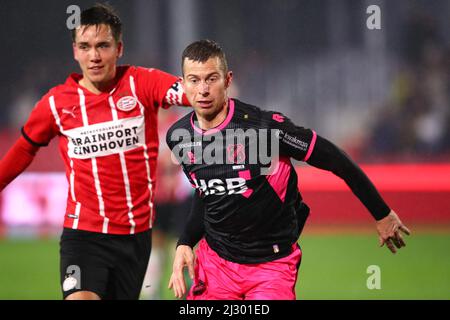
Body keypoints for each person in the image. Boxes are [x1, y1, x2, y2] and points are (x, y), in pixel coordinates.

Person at [166, 39, 411, 300]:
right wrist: (185, 242)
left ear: (227, 80)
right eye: (194, 80)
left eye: (211, 79)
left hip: (271, 266)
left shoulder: (266, 128)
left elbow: (335, 159)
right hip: (216, 266)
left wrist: (382, 213)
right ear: (182, 84)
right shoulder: (179, 136)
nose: (202, 89)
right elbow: (206, 194)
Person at [0, 4, 189, 300]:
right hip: (83, 235)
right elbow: (24, 148)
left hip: (135, 237)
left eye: (103, 45)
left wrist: (213, 93)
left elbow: (188, 91)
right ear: (75, 51)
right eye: (85, 46)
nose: (94, 56)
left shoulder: (143, 83)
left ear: (119, 48)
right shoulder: (56, 103)